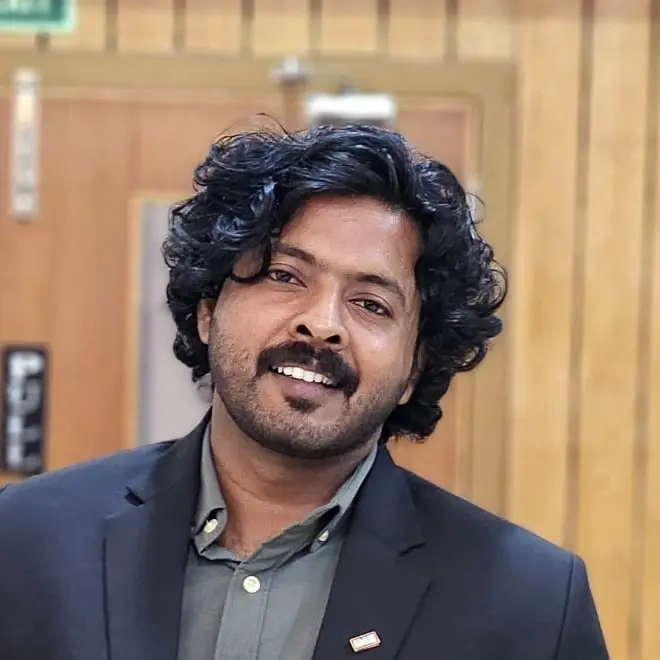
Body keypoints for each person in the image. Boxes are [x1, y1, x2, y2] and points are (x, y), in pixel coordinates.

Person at [0, 124, 608, 660]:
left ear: (414, 369)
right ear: (209, 310)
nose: (321, 324)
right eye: (284, 275)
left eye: (371, 304)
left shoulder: (529, 605)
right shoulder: (25, 540)